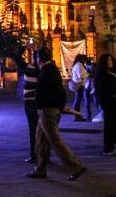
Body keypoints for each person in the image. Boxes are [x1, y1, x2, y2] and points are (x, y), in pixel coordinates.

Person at [27, 47, 86, 181]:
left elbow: (49, 92)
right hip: (48, 109)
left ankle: (76, 166)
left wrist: (56, 106)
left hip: (47, 110)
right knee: (40, 139)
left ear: (39, 59)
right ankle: (40, 168)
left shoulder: (47, 71)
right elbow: (59, 91)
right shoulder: (51, 70)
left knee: (54, 140)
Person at [95, 54, 116, 156]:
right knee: (111, 124)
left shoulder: (111, 73)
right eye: (108, 60)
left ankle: (111, 145)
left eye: (111, 60)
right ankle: (108, 147)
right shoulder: (103, 75)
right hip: (110, 101)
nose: (110, 62)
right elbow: (111, 87)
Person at [14, 43, 39, 164]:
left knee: (32, 129)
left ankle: (34, 155)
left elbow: (17, 58)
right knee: (43, 130)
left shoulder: (29, 69)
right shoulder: (44, 70)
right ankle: (45, 154)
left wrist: (25, 46)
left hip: (30, 102)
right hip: (41, 102)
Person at [71, 55, 89, 121]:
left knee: (77, 101)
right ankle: (77, 116)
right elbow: (81, 76)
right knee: (77, 101)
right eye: (84, 59)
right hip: (79, 85)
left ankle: (77, 116)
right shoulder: (79, 65)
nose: (85, 61)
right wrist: (88, 74)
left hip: (78, 84)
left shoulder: (76, 65)